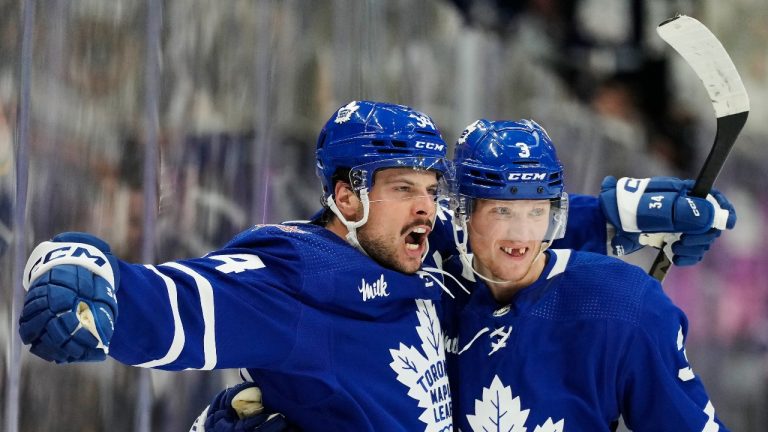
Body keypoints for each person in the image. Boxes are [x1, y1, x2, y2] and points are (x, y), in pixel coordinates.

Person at [18, 102, 731, 432]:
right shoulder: (301, 278)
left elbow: (499, 229)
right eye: (402, 190)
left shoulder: (419, 257)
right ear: (345, 196)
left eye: (431, 189)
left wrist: (619, 213)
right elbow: (185, 301)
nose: (425, 209)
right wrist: (85, 277)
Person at [442, 119, 732, 431]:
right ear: (463, 212)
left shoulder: (624, 304)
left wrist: (605, 216)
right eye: (503, 211)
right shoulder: (430, 288)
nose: (522, 233)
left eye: (537, 210)